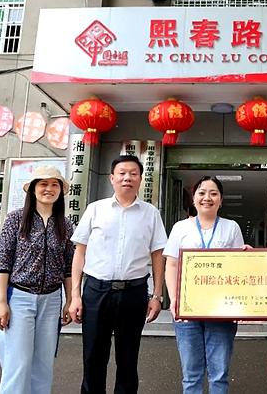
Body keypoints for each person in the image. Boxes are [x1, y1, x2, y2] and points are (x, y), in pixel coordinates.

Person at [68, 155, 168, 394]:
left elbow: (157, 255)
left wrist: (156, 295)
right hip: (96, 291)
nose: (127, 178)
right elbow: (79, 253)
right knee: (93, 357)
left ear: (141, 179)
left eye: (133, 173)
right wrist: (75, 295)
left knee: (128, 359)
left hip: (134, 292)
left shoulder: (150, 213)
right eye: (122, 173)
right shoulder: (95, 209)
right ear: (112, 178)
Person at [0, 165, 75, 394]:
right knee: (17, 363)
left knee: (44, 363)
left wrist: (70, 300)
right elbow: (2, 261)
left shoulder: (66, 225)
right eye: (43, 184)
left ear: (60, 191)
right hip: (19, 297)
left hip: (51, 300)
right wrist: (1, 302)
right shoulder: (16, 219)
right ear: (33, 189)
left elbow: (69, 267)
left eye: (54, 184)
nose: (49, 189)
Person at [164, 176, 244, 394]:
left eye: (213, 193)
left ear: (221, 200)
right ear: (194, 198)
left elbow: (239, 267)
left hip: (222, 310)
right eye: (201, 192)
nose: (207, 198)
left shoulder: (231, 227)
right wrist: (174, 300)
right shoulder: (180, 228)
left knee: (219, 374)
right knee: (191, 374)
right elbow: (171, 265)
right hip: (187, 309)